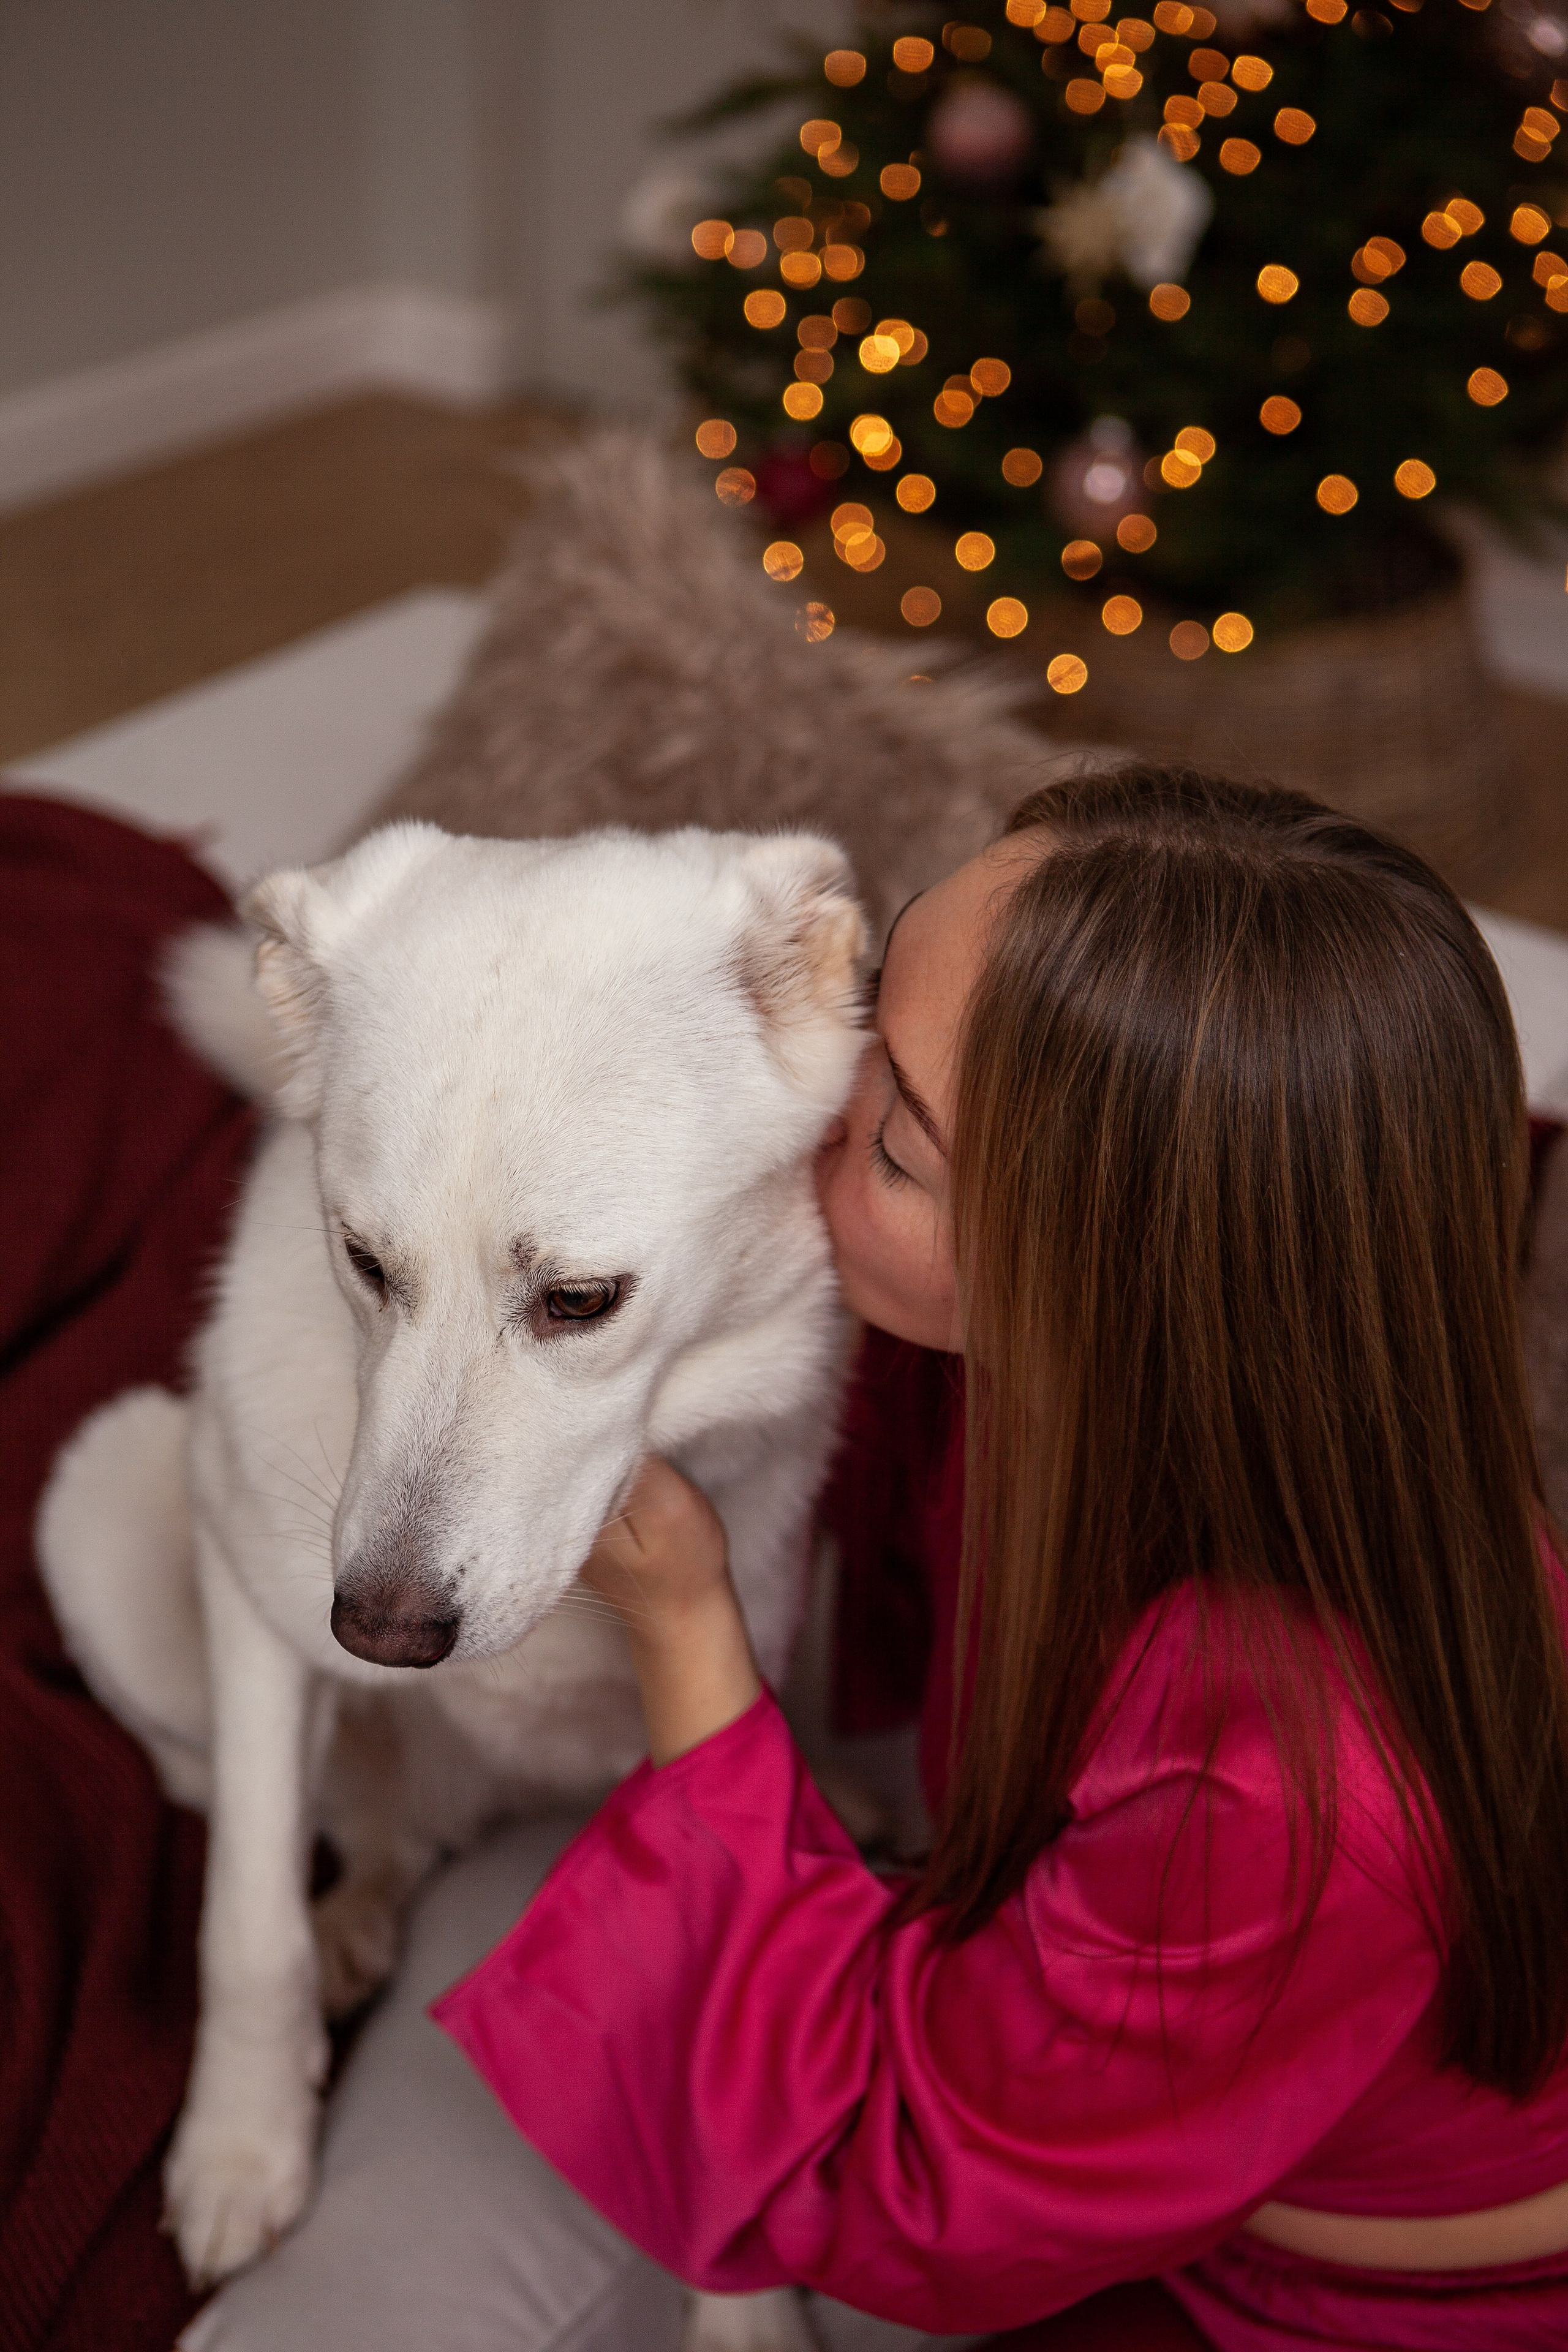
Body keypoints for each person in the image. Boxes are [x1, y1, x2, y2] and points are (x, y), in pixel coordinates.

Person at [431, 767, 1568, 2351]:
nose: (816, 1112)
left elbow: (900, 2174)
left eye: (894, 1143)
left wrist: (684, 1624)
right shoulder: (1223, 1378)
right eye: (867, 1028)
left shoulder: (1288, 1793)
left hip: (1362, 2300)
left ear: (1105, 1291)